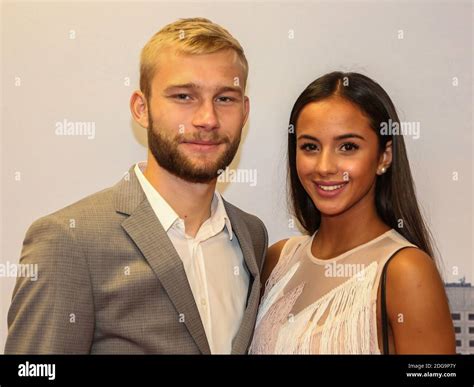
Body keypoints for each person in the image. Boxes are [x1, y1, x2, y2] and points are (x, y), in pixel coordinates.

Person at [5, 17, 267, 354]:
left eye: (225, 98)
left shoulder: (252, 236)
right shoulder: (69, 240)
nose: (207, 119)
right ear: (141, 109)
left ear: (244, 112)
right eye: (184, 96)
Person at [249, 72, 455, 354]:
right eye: (310, 146)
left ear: (384, 156)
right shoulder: (278, 260)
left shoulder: (405, 272)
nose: (324, 166)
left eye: (348, 147)